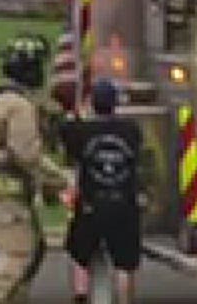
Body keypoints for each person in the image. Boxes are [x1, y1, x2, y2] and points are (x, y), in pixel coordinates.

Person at [0, 33, 72, 304]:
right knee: (17, 255)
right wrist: (62, 180)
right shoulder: (18, 105)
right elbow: (26, 154)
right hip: (7, 189)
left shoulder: (2, 99)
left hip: (5, 187)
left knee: (34, 250)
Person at [60, 78, 144, 304]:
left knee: (80, 255)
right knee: (124, 264)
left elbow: (64, 135)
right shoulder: (131, 130)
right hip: (124, 205)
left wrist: (75, 116)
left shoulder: (80, 131)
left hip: (90, 205)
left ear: (93, 103)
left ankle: (80, 295)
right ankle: (124, 299)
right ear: (115, 103)